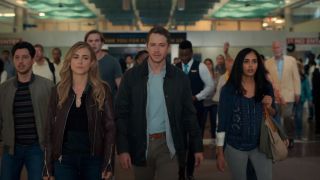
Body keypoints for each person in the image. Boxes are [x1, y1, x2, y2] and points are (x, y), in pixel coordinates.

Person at [116, 26, 203, 180]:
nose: (157, 50)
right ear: (147, 46)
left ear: (168, 47)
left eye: (162, 45)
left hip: (169, 146)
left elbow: (190, 114)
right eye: (153, 45)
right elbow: (121, 115)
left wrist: (197, 147)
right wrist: (123, 149)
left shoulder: (180, 78)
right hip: (140, 144)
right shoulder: (131, 77)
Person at [42, 41, 116, 180]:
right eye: (76, 57)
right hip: (64, 160)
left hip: (94, 160)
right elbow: (49, 130)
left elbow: (110, 129)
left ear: (92, 62)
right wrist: (47, 166)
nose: (80, 61)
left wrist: (108, 163)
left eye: (85, 57)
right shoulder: (58, 90)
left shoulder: (102, 90)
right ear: (69, 61)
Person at [216, 47, 287, 180]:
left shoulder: (265, 86)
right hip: (235, 146)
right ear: (239, 64)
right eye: (246, 61)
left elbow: (273, 113)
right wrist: (219, 152)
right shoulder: (228, 90)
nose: (250, 65)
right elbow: (222, 122)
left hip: (260, 144)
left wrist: (269, 105)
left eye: (254, 61)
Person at [0, 41, 54, 180]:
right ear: (12, 60)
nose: (20, 61)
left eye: (25, 57)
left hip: (37, 148)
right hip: (11, 149)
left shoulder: (48, 86)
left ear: (32, 59)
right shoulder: (4, 88)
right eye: (17, 57)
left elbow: (55, 117)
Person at [176, 40, 213, 180]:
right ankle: (180, 172)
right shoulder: (175, 67)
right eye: (181, 54)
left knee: (193, 142)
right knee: (179, 142)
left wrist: (197, 97)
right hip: (179, 112)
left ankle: (189, 172)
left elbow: (210, 86)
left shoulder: (201, 66)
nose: (183, 57)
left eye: (186, 54)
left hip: (196, 110)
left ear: (191, 53)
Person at [264, 41, 301, 148]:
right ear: (272, 49)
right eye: (274, 47)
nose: (276, 49)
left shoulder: (291, 60)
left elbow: (296, 77)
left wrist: (297, 92)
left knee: (288, 117)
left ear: (282, 48)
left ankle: (290, 137)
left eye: (278, 47)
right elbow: (267, 80)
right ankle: (279, 139)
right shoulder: (267, 63)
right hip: (274, 96)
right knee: (275, 119)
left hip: (288, 96)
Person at [84, 30, 122, 97]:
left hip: (108, 104)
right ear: (86, 43)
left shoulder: (112, 61)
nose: (93, 43)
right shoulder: (81, 62)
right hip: (85, 103)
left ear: (102, 43)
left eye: (96, 40)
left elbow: (121, 87)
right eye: (90, 41)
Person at [202, 58, 217, 141]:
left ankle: (213, 140)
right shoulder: (201, 74)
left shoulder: (216, 75)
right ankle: (199, 142)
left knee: (214, 123)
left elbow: (218, 88)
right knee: (202, 122)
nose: (208, 65)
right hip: (204, 103)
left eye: (209, 63)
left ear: (212, 65)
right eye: (206, 64)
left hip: (214, 103)